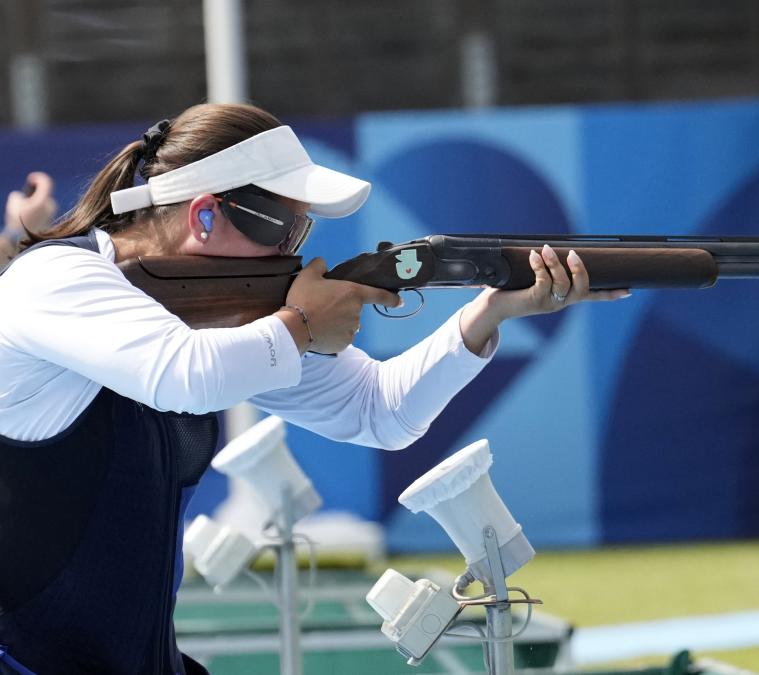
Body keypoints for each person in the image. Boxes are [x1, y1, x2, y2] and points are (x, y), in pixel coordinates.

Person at [0, 103, 629, 675]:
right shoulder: (52, 278)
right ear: (206, 213)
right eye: (286, 233)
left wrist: (489, 313)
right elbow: (183, 375)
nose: (297, 255)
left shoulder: (224, 327)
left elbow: (382, 411)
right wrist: (300, 325)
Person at [1, 172, 58, 268]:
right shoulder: (16, 199)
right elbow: (24, 216)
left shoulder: (49, 206)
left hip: (34, 246)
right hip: (10, 243)